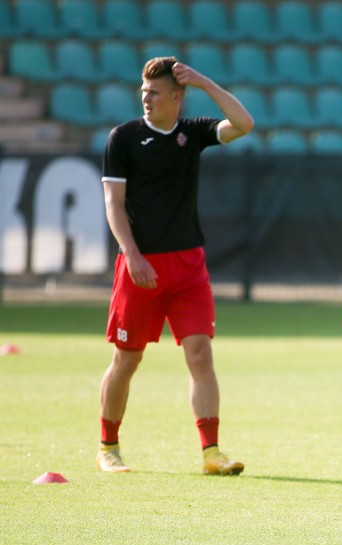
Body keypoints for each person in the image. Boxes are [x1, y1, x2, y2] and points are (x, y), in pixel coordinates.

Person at [97, 57, 254, 475]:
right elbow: (113, 204)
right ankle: (108, 446)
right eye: (143, 92)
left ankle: (211, 453)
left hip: (188, 266)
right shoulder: (124, 138)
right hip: (140, 267)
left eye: (154, 92)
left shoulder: (193, 132)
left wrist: (204, 81)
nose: (145, 99)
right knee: (127, 360)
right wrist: (131, 255)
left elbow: (244, 123)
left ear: (177, 97)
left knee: (200, 355)